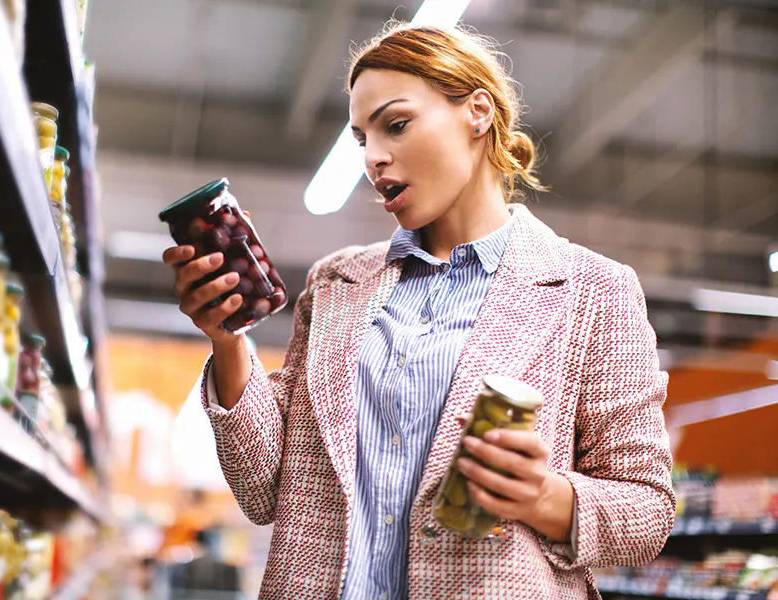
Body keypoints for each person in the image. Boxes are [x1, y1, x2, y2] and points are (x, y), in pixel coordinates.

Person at [162, 23, 675, 600]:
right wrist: (227, 340)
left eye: (396, 125)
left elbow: (647, 511)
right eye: (361, 140)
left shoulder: (594, 290)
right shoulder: (336, 283)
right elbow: (264, 492)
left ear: (477, 112)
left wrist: (544, 496)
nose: (374, 158)